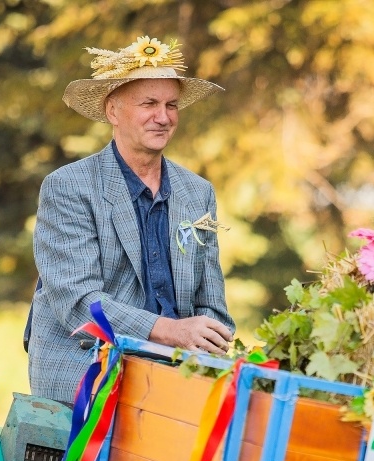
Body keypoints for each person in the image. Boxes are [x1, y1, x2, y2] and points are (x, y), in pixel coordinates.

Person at [27, 35, 235, 405]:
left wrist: (210, 349)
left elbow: (212, 306)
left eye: (172, 105)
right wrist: (170, 331)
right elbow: (78, 303)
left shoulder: (197, 192)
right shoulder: (68, 186)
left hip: (175, 372)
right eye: (149, 103)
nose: (164, 116)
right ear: (113, 111)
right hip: (87, 368)